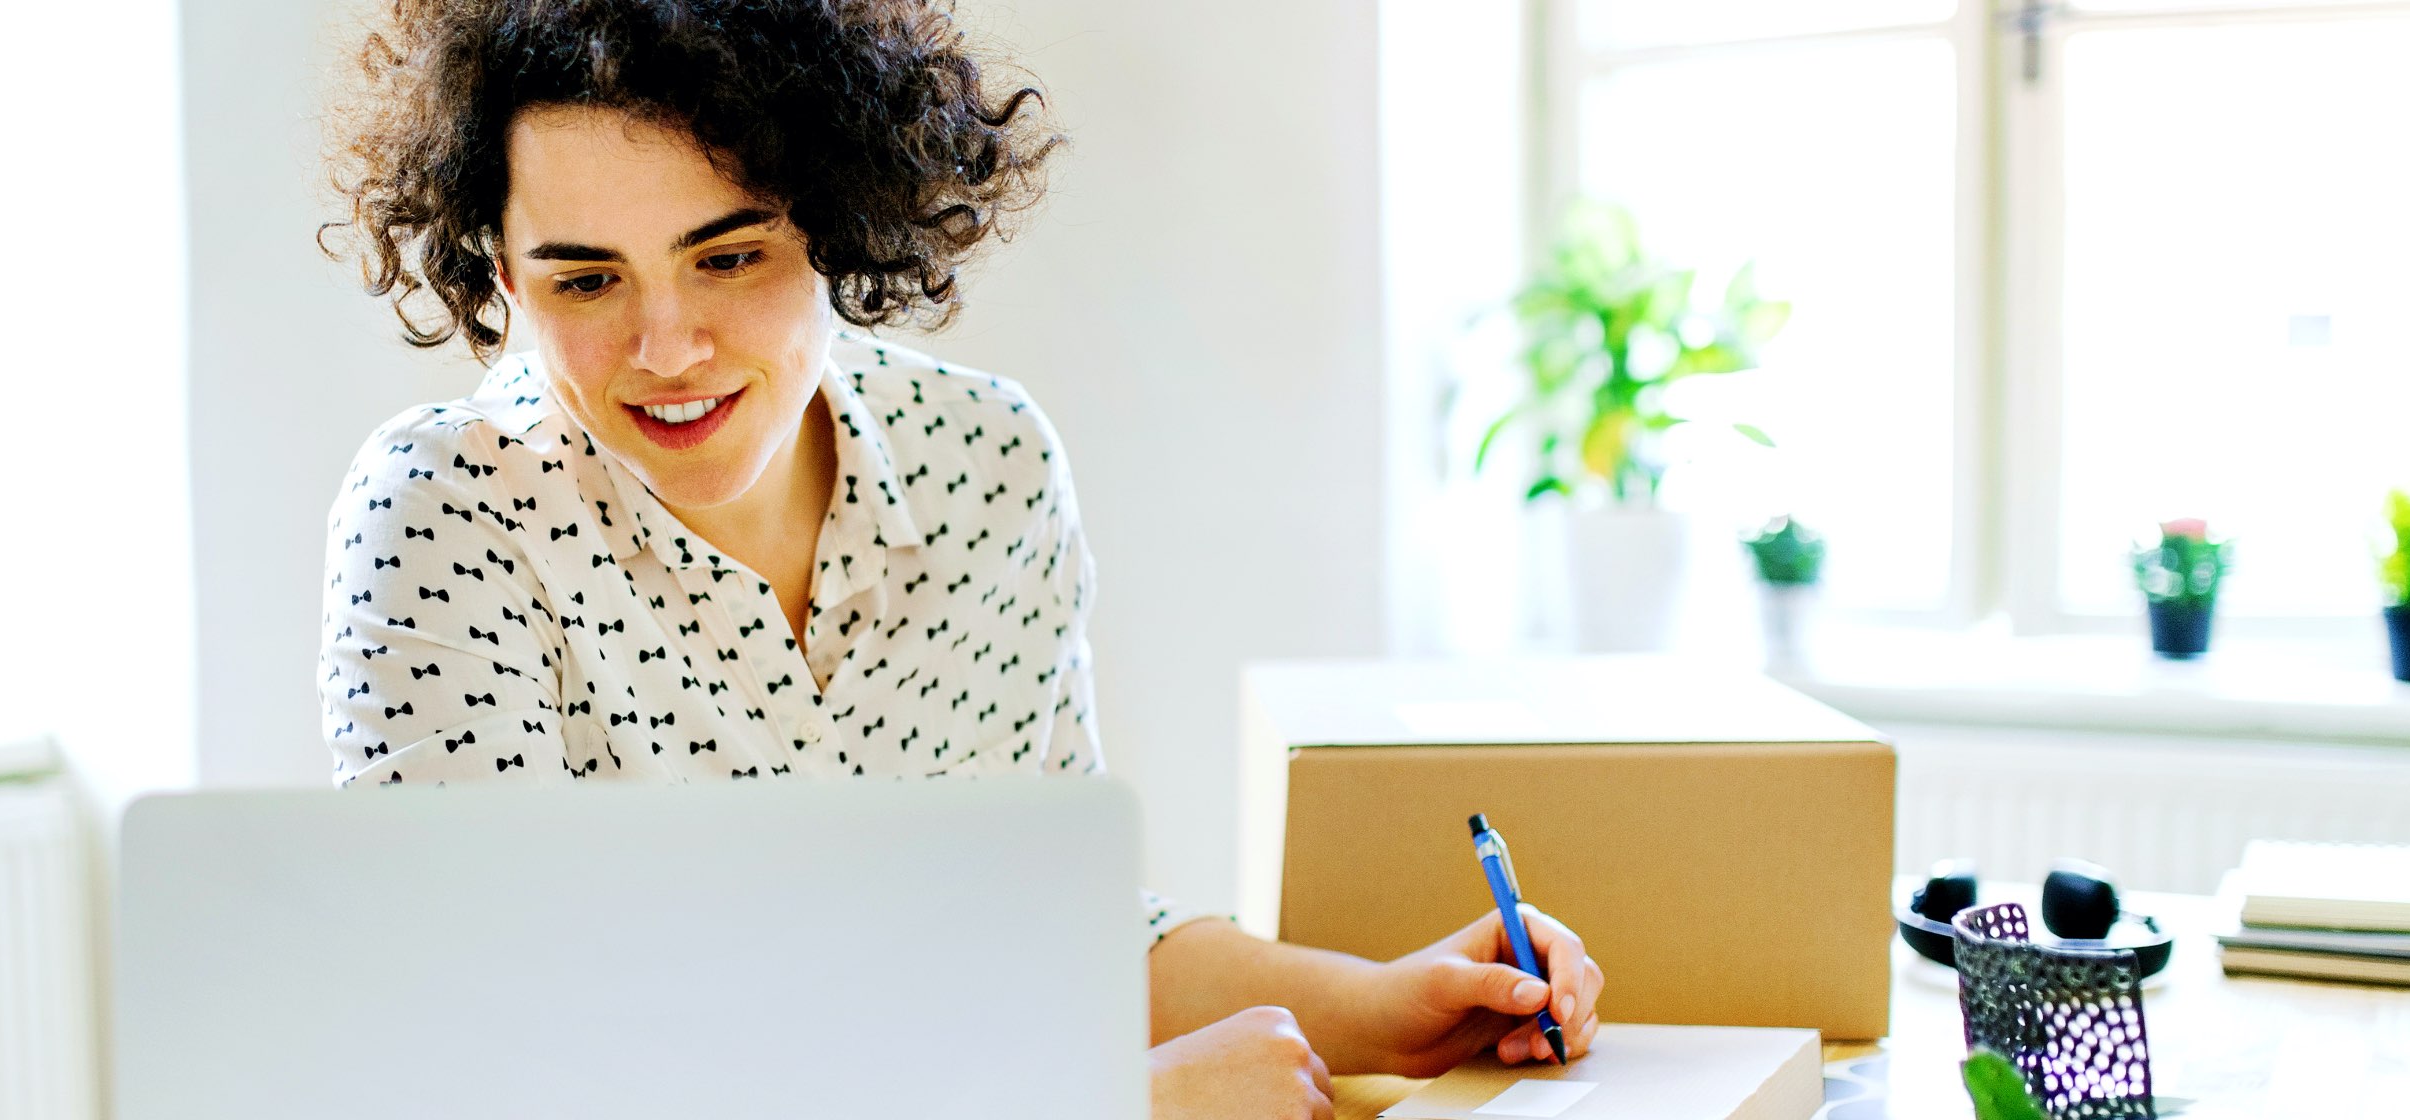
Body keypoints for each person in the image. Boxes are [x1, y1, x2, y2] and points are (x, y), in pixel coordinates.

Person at [313, 2, 1603, 1115]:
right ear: (500, 270)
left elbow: (1060, 937)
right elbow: (502, 1066)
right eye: (585, 282)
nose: (667, 347)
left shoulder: (985, 458)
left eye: (731, 255)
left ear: (842, 222)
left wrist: (1392, 1008)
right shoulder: (445, 513)